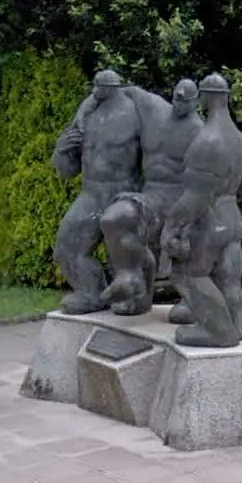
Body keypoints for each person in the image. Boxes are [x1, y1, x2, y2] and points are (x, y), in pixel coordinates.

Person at [160, 73, 242, 347]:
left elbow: (195, 198)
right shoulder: (240, 140)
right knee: (229, 278)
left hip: (210, 220)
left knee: (189, 274)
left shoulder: (207, 140)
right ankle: (235, 326)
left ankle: (219, 332)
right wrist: (229, 193)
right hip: (233, 218)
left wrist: (171, 226)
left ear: (205, 98)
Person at [98, 78, 203, 316]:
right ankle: (131, 278)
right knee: (113, 218)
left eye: (186, 101)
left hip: (180, 202)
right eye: (177, 98)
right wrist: (83, 118)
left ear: (196, 102)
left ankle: (194, 298)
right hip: (151, 196)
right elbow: (117, 91)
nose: (180, 104)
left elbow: (206, 184)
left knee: (191, 236)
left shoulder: (201, 133)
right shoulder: (153, 109)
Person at [50, 70, 144, 313]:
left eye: (100, 86)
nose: (95, 90)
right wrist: (61, 149)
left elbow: (157, 159)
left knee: (123, 253)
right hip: (91, 194)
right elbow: (67, 170)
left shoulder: (136, 112)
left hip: (124, 192)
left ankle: (133, 296)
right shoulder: (87, 114)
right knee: (66, 248)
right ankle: (91, 293)